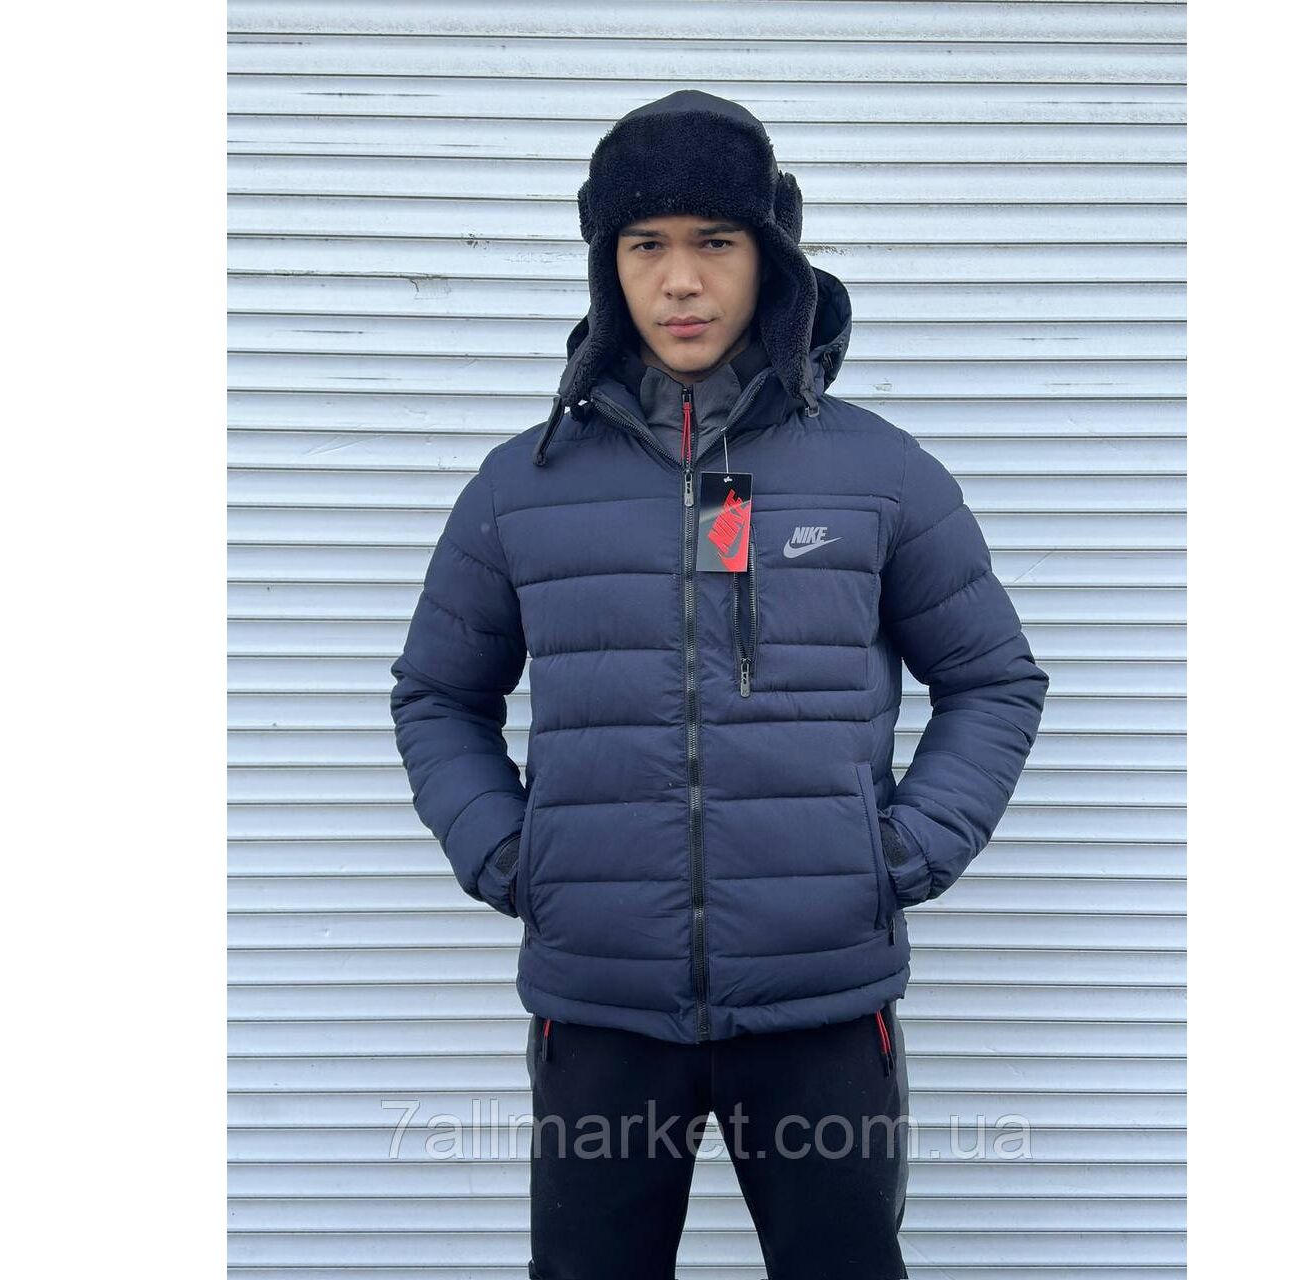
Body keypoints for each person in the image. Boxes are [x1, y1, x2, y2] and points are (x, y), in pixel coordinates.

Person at [391, 89, 1049, 1280]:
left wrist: (897, 853)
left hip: (821, 1002)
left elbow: (991, 677)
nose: (681, 280)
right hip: (600, 1006)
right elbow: (437, 692)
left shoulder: (878, 473)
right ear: (608, 266)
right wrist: (514, 855)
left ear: (770, 257)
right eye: (645, 244)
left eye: (715, 241)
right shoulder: (520, 487)